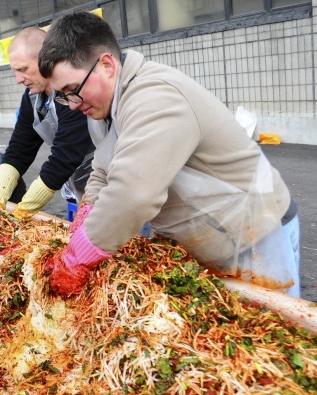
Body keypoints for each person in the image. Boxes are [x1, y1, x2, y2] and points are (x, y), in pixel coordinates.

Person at [38, 12, 300, 297]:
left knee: (262, 328)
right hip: (198, 237)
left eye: (72, 90)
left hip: (251, 233)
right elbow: (102, 168)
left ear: (106, 65)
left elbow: (133, 195)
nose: (72, 105)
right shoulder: (104, 109)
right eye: (63, 97)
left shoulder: (155, 97)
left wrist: (78, 257)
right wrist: (86, 216)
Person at [0, 26, 95, 219]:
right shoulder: (32, 97)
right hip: (73, 188)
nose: (18, 79)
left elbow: (65, 155)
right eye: (15, 71)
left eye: (23, 70)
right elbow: (20, 148)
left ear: (44, 59)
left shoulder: (70, 92)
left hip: (105, 185)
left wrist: (23, 211)